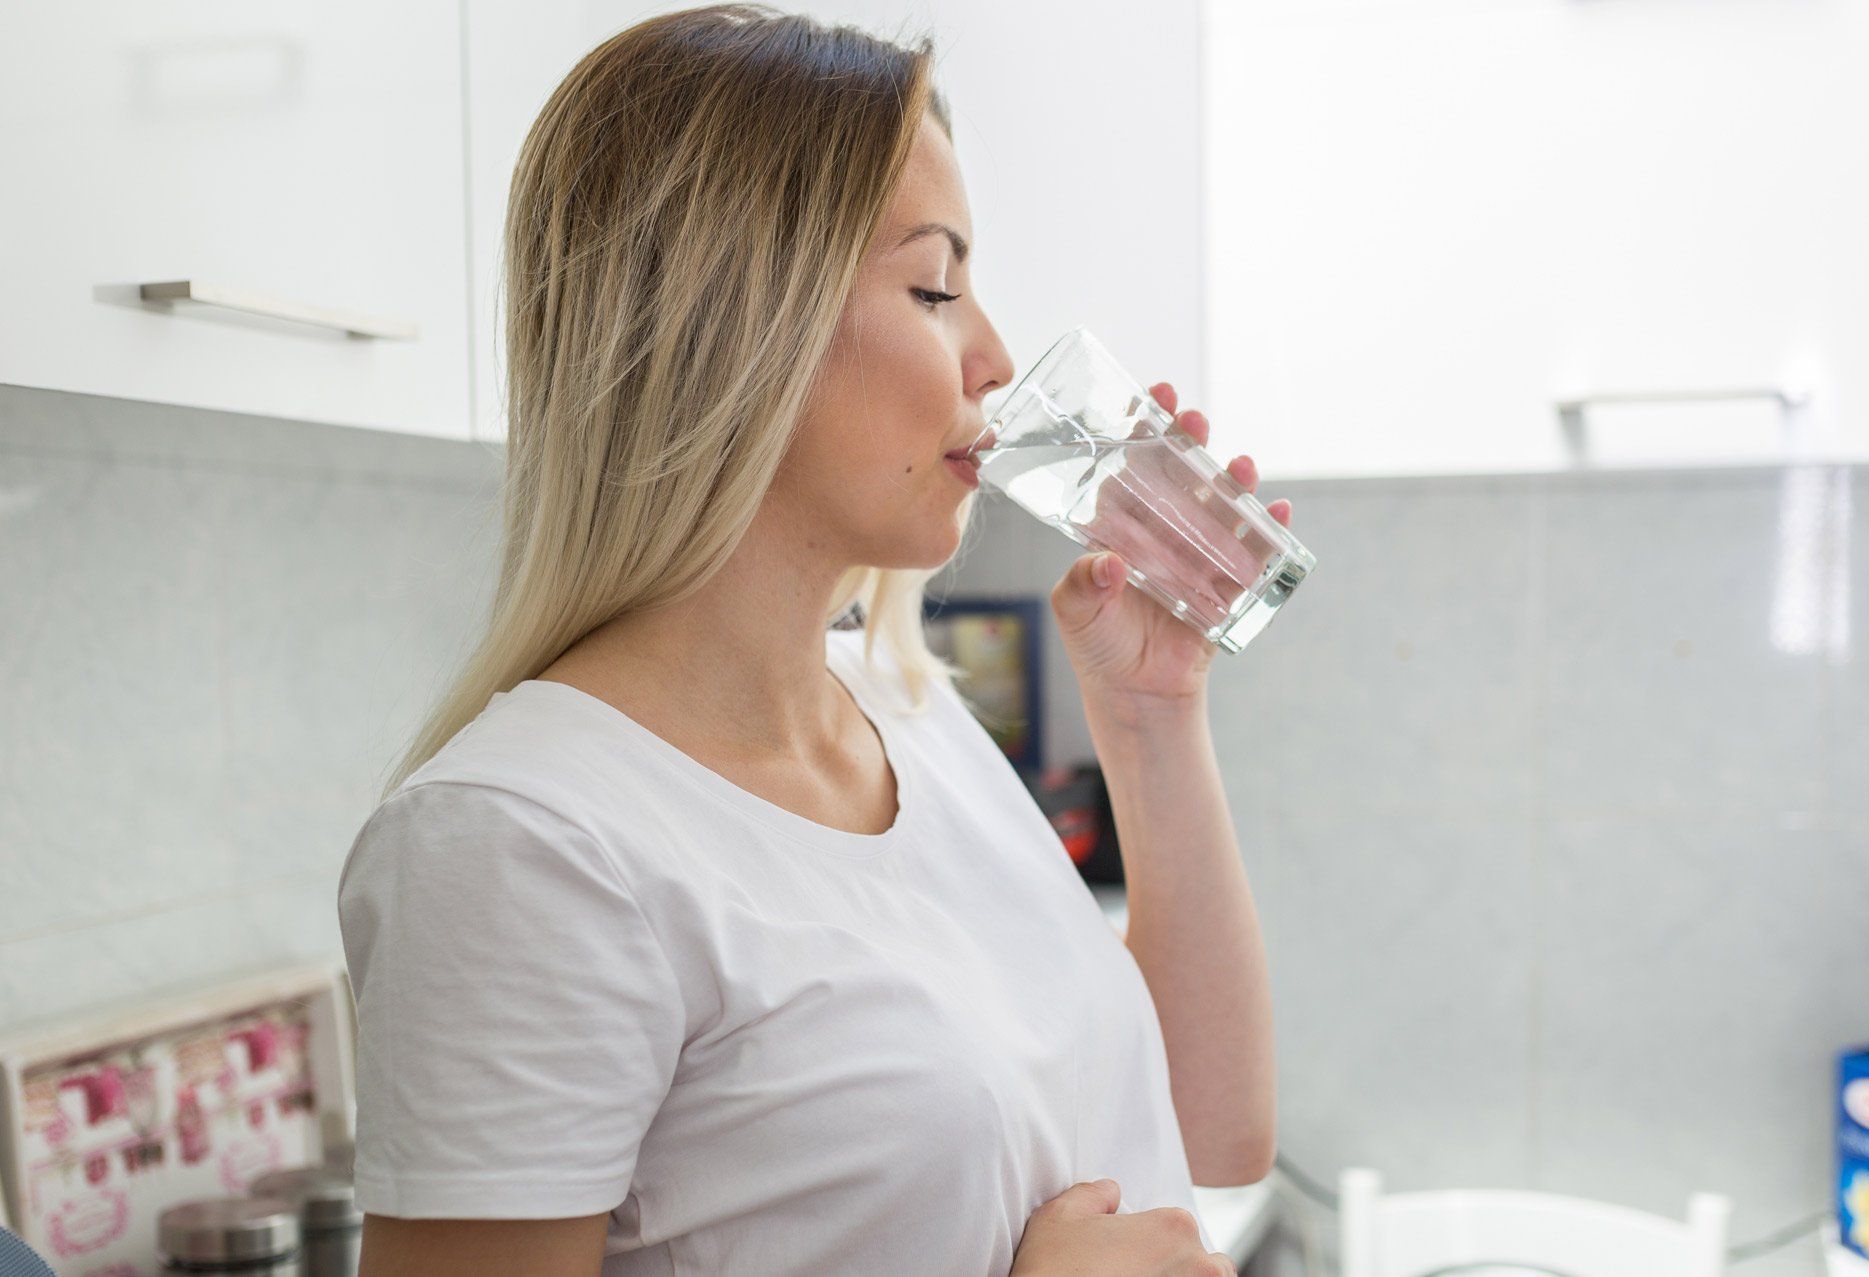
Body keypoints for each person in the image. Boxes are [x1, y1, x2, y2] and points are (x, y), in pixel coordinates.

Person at [336, 4, 1287, 1274]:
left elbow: (1208, 1134)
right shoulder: (523, 842)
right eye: (935, 285)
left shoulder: (904, 708)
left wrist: (1154, 716)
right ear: (734, 322)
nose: (996, 356)